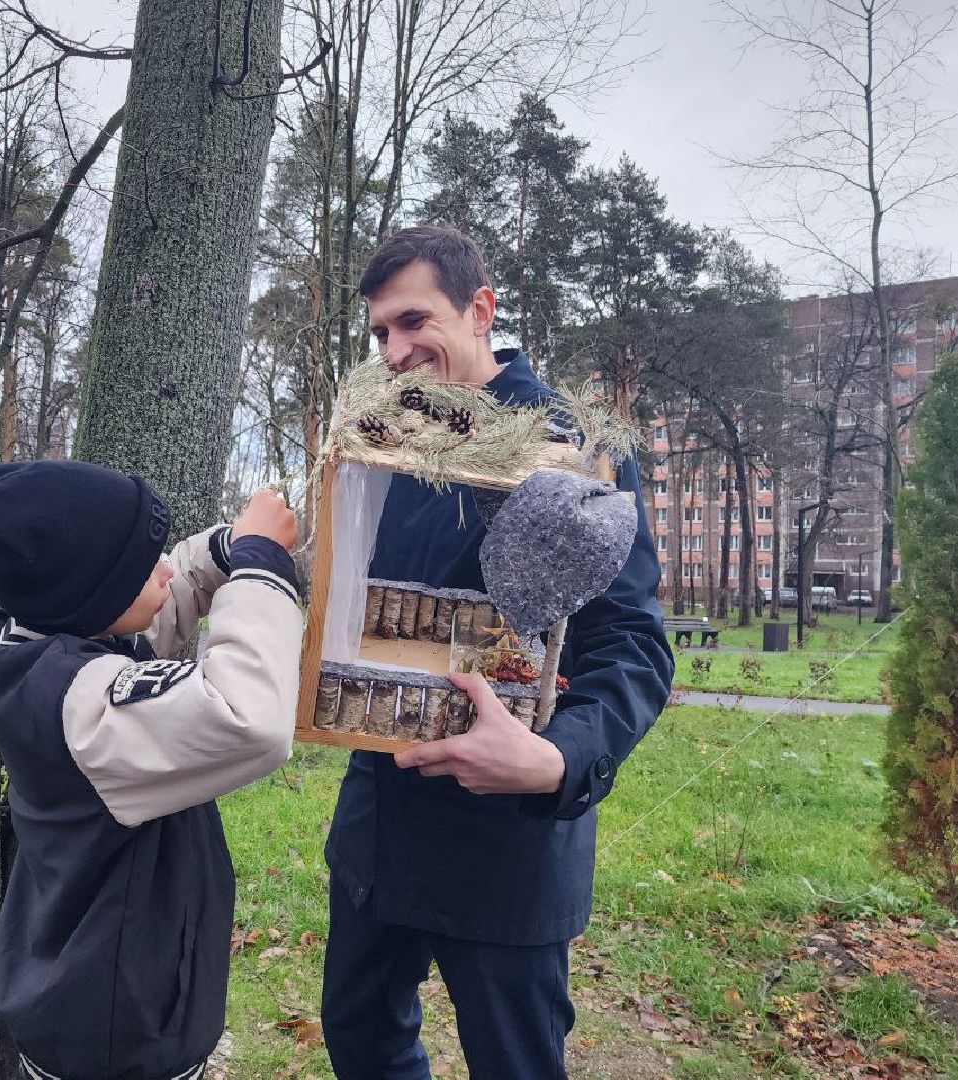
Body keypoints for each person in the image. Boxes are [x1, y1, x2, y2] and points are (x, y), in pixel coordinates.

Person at [321, 226, 674, 1079]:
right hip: (382, 821)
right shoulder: (386, 440)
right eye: (379, 333)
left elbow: (630, 645)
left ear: (480, 310)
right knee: (359, 1035)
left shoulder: (570, 450)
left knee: (513, 1063)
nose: (395, 351)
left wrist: (555, 760)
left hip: (505, 842)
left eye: (413, 322)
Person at [0, 459, 302, 1080]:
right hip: (116, 1033)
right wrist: (260, 568)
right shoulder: (82, 710)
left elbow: (146, 626)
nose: (166, 571)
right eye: (144, 567)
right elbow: (248, 719)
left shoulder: (47, 647)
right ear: (92, 593)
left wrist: (219, 553)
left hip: (95, 999)